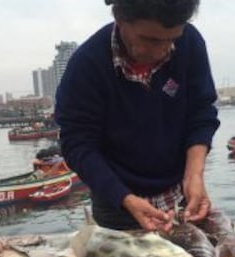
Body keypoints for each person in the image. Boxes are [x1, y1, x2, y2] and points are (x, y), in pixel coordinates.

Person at [55, 0, 220, 232]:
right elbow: (77, 144)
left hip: (180, 193)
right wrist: (124, 197)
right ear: (120, 20)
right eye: (150, 40)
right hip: (117, 201)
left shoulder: (189, 43)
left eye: (172, 38)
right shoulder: (86, 65)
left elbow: (201, 111)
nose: (164, 50)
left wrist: (194, 174)